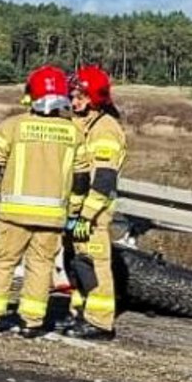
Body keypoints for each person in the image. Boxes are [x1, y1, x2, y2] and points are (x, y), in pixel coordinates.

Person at [0, 66, 88, 339]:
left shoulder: (12, 126)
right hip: (53, 218)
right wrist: (75, 212)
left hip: (13, 215)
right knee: (41, 267)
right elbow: (81, 178)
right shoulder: (73, 133)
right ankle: (32, 322)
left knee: (2, 263)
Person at [65, 65, 127, 340]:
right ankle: (79, 314)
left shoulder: (106, 130)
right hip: (77, 210)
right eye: (72, 94)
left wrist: (86, 215)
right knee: (79, 265)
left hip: (94, 214)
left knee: (96, 265)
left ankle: (100, 322)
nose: (74, 101)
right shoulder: (80, 124)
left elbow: (103, 180)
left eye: (80, 96)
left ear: (96, 98)